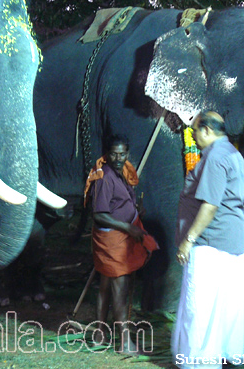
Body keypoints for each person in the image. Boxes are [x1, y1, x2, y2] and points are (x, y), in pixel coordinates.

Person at [172, 111, 244, 368]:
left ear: (206, 130)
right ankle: (224, 355)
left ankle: (198, 361)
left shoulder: (215, 158)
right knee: (225, 305)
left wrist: (188, 239)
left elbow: (210, 205)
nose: (193, 138)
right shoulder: (234, 154)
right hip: (232, 241)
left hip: (209, 242)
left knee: (199, 306)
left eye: (194, 132)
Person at [84, 134, 158, 354]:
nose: (118, 158)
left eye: (122, 153)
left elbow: (119, 204)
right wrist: (129, 228)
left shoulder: (122, 173)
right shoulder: (105, 177)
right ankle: (124, 342)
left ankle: (100, 334)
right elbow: (100, 215)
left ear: (127, 153)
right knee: (119, 288)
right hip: (112, 239)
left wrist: (135, 211)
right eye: (114, 153)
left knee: (106, 285)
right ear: (107, 154)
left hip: (118, 237)